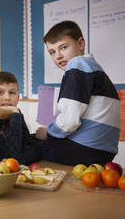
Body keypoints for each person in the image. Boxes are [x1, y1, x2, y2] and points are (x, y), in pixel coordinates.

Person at [35, 20, 121, 165]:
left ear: (81, 44)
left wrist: (48, 132)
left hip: (83, 149)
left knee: (28, 143)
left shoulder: (78, 64)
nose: (58, 56)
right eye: (52, 52)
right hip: (105, 153)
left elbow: (69, 122)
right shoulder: (95, 69)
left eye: (63, 47)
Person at [0, 71, 40, 165]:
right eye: (0, 92)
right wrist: (19, 158)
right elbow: (12, 157)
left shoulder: (16, 113)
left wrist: (15, 114)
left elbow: (31, 148)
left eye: (12, 93)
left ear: (18, 97)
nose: (7, 97)